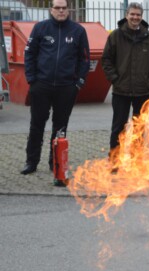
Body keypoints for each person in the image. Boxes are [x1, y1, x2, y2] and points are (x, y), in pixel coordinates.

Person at [21, 0, 90, 175]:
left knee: (60, 128)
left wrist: (79, 82)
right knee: (36, 126)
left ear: (68, 10)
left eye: (63, 8)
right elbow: (29, 54)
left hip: (66, 88)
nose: (60, 11)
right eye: (57, 8)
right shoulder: (40, 28)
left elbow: (85, 59)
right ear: (51, 10)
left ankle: (56, 162)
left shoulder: (78, 31)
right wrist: (31, 80)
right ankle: (31, 162)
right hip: (41, 86)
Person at [102, 2, 149, 163]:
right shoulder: (115, 36)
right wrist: (115, 79)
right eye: (132, 14)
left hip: (142, 92)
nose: (135, 17)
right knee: (118, 128)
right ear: (126, 15)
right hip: (120, 91)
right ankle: (115, 161)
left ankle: (137, 162)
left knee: (139, 129)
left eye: (138, 15)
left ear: (141, 17)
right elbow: (106, 60)